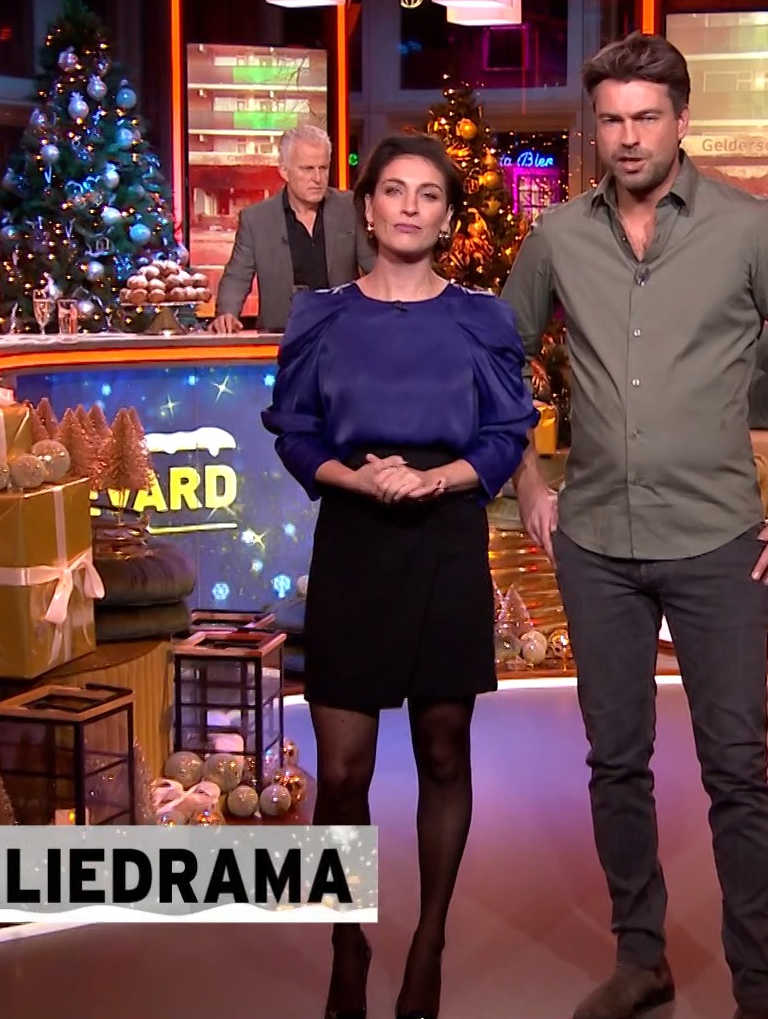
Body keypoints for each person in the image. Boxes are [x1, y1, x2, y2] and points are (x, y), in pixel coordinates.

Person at [503, 32, 768, 1019]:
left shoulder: (749, 227)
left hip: (718, 546)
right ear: (595, 127)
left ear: (681, 121)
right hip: (595, 547)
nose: (628, 137)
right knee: (615, 763)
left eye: (647, 117)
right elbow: (495, 362)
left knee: (737, 773)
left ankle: (761, 995)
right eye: (612, 119)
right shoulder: (558, 236)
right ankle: (641, 959)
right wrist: (528, 484)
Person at [261, 133, 536, 1019]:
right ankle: (347, 942)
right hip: (355, 540)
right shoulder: (321, 316)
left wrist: (435, 479)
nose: (410, 206)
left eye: (429, 194)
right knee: (343, 771)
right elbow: (295, 431)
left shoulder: (481, 320)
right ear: (368, 209)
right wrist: (362, 479)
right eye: (393, 190)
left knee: (442, 750)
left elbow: (506, 435)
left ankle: (430, 941)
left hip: (445, 537)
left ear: (447, 218)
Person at [212, 123, 372, 334]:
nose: (317, 179)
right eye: (307, 169)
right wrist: (227, 314)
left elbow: (375, 266)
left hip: (342, 334)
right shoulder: (256, 219)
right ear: (284, 171)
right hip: (282, 336)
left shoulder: (349, 208)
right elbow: (237, 277)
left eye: (323, 168)